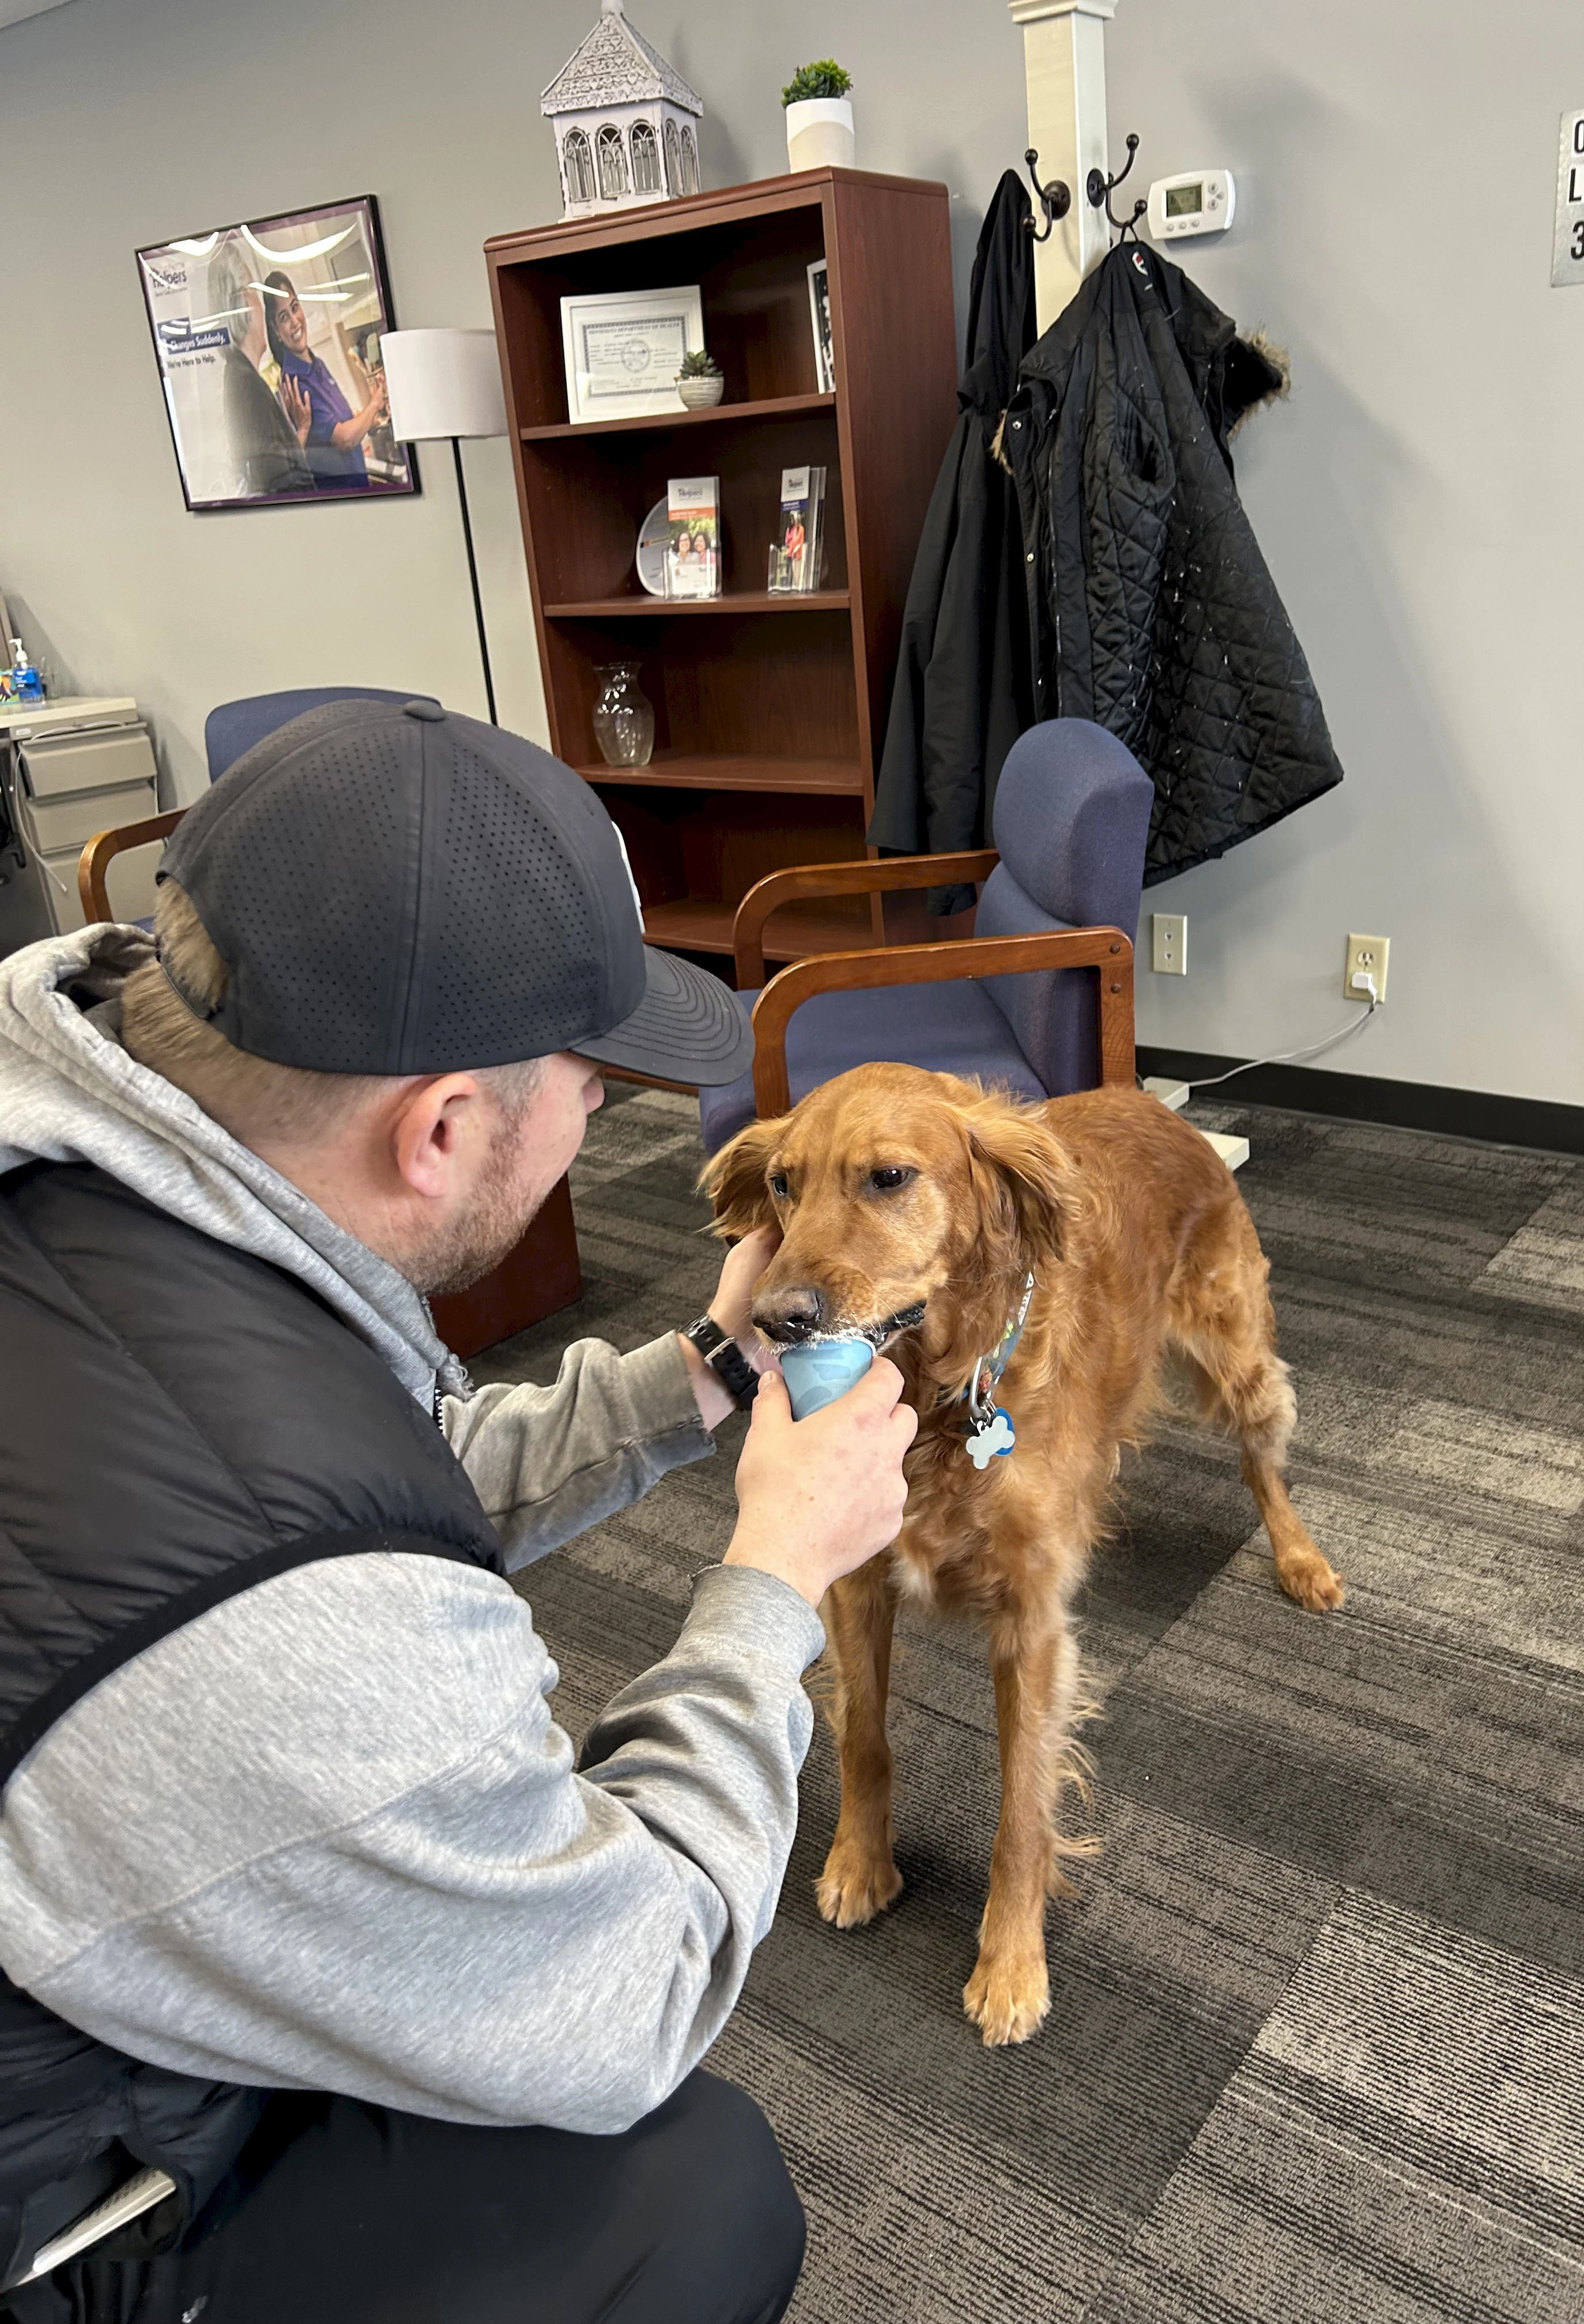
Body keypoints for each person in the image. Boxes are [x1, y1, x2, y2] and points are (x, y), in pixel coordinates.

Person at [0, 698, 918, 2322]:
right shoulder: (286, 1629)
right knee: (689, 2198)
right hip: (63, 2203)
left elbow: (336, 1465)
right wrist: (776, 1576)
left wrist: (692, 1375)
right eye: (588, 1085)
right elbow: (628, 1986)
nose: (593, 1122)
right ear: (437, 1128)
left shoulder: (99, 1145)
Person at [262, 270, 389, 490]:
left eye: (295, 308)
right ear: (276, 330)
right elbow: (344, 440)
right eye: (284, 318)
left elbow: (339, 425)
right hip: (341, 498)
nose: (295, 322)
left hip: (358, 488)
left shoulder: (315, 362)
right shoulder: (296, 383)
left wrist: (361, 418)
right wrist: (376, 403)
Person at [208, 240, 312, 499]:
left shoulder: (241, 376)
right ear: (241, 302)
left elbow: (275, 472)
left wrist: (299, 430)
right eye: (254, 291)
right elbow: (280, 489)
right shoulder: (246, 386)